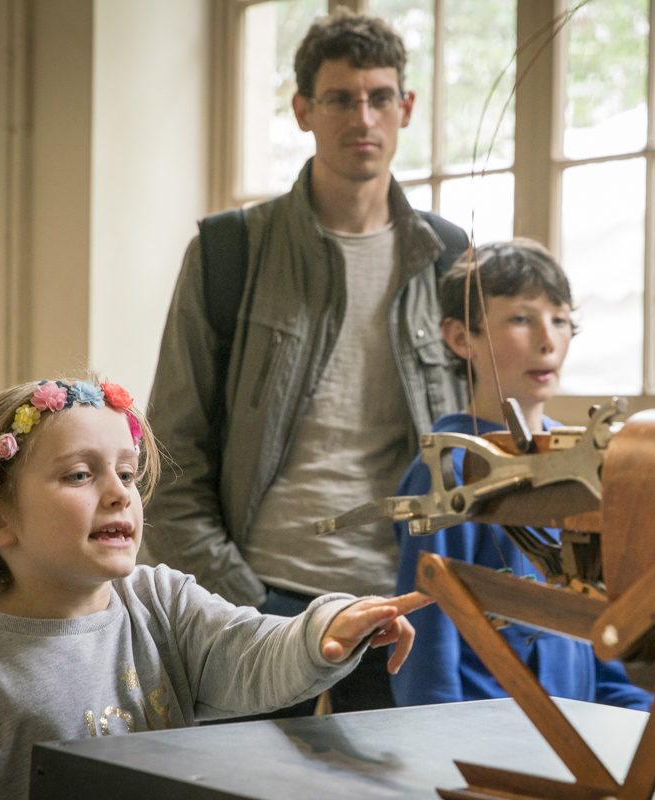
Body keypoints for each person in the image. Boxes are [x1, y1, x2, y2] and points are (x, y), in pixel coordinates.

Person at [0, 378, 430, 800]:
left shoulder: (161, 604)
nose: (120, 493)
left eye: (127, 473)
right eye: (79, 475)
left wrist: (327, 626)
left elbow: (254, 649)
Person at [144, 10, 467, 715]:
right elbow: (169, 454)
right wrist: (240, 598)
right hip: (259, 601)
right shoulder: (230, 252)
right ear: (302, 111)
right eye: (340, 98)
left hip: (401, 603)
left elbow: (478, 440)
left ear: (406, 107)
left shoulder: (449, 258)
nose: (363, 117)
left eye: (380, 97)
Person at [389, 240, 653, 711]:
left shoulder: (580, 460)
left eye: (560, 319)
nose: (548, 341)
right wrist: (436, 741)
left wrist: (644, 719)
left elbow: (596, 630)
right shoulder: (450, 469)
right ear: (461, 338)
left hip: (572, 729)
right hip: (485, 729)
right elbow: (426, 649)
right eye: (520, 319)